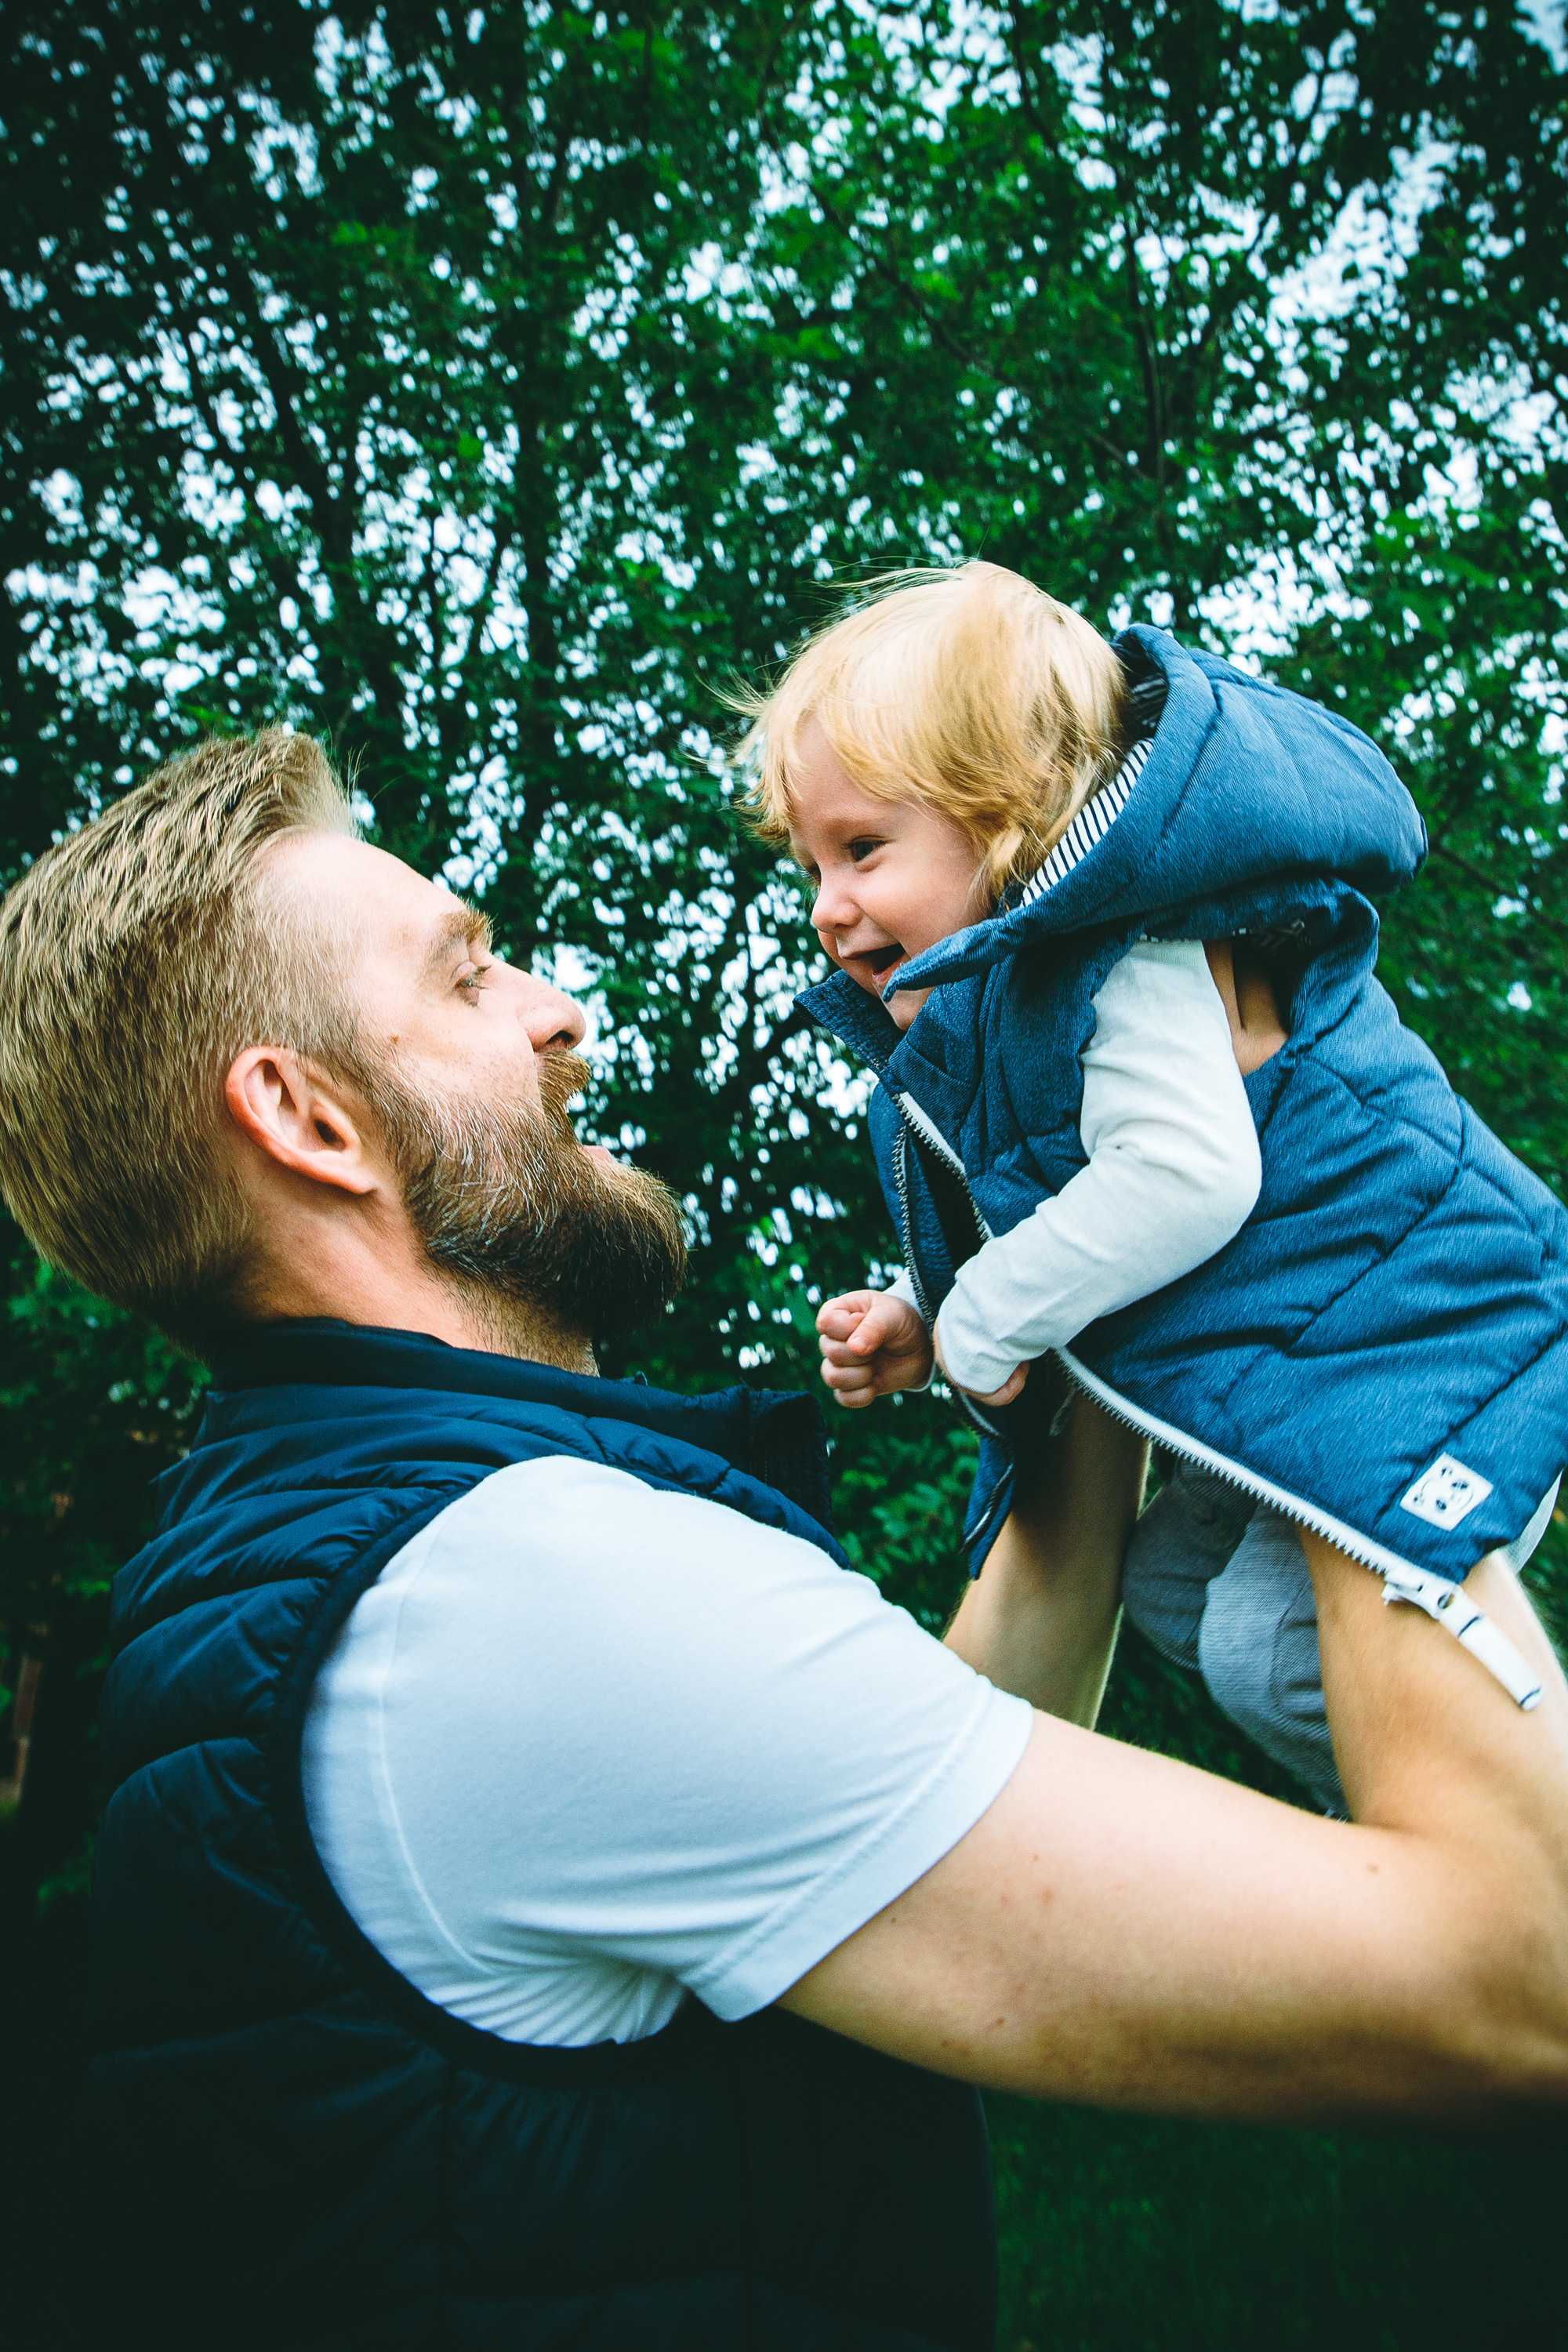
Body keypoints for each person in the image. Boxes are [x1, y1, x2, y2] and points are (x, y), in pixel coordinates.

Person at [2, 731, 1567, 2352]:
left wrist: (1114, 1245)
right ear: (306, 1120)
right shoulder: (534, 1599)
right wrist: (1319, 1259)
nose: (558, 1013)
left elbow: (946, 1764)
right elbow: (1525, 1975)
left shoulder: (312, 1552)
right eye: (468, 982)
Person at [740, 562, 1568, 1813]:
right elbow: (1052, 1193)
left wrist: (984, 1316)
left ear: (1008, 812)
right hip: (1292, 1352)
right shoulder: (1006, 1017)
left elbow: (1185, 1176)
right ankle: (1433, 1834)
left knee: (1254, 1646)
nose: (827, 906)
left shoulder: (1122, 955)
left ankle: (1474, 1833)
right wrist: (924, 1306)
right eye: (811, 864)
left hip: (1418, 1327)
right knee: (1177, 1591)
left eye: (862, 849)